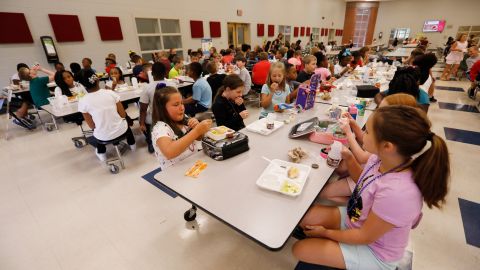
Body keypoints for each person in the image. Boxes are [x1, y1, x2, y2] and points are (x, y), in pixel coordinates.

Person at [293, 105, 450, 270]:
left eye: (367, 132)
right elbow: (364, 181)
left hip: (376, 252)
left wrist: (326, 233)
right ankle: (334, 243)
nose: (363, 136)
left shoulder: (398, 192)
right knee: (302, 217)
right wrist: (348, 157)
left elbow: (365, 236)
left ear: (387, 146)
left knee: (300, 249)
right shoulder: (381, 158)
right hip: (357, 219)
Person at [320, 93, 418, 203]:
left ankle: (358, 203)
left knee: (324, 193)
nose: (376, 115)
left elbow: (362, 158)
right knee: (340, 169)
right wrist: (353, 124)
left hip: (365, 187)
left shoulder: (392, 185)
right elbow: (366, 141)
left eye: (382, 111)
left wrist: (348, 133)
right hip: (366, 177)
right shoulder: (387, 150)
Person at [77, 69, 136, 161]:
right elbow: (123, 115)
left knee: (98, 132)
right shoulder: (110, 93)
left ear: (82, 85)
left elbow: (92, 125)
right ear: (97, 80)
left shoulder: (83, 101)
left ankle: (102, 155)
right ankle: (132, 145)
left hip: (103, 136)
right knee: (126, 124)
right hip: (121, 130)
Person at [151, 86, 212, 170]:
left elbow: (199, 138)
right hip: (174, 173)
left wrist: (197, 127)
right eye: (176, 105)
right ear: (162, 109)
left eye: (182, 103)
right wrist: (196, 131)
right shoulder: (160, 128)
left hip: (192, 166)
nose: (182, 108)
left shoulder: (184, 118)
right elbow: (169, 152)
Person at [139, 63, 172, 153]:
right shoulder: (172, 85)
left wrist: (141, 123)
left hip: (155, 118)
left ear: (152, 73)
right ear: (165, 73)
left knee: (145, 116)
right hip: (170, 116)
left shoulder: (147, 88)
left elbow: (143, 109)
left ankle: (151, 142)